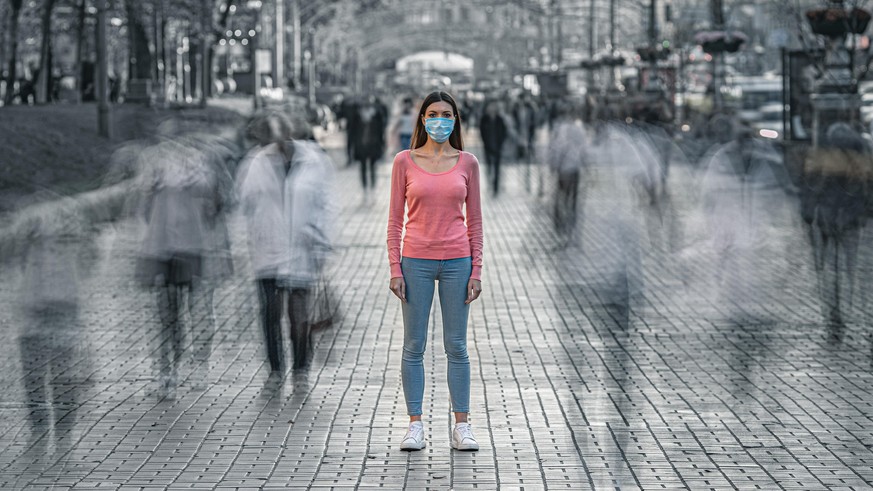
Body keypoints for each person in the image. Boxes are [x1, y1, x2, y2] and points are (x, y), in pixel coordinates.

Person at [387, 91, 484, 452]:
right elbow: (395, 220)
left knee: (456, 346)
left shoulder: (467, 163)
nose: (439, 120)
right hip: (416, 262)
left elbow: (475, 221)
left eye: (446, 114)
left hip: (458, 261)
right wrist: (395, 267)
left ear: (455, 119)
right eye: (433, 114)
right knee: (414, 345)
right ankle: (415, 424)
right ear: (422, 119)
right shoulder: (405, 161)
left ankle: (462, 425)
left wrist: (477, 270)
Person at [478, 100, 507, 195]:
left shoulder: (500, 119)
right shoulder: (484, 119)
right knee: (489, 166)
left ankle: (496, 186)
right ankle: (489, 182)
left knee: (497, 167)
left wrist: (501, 143)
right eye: (490, 106)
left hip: (497, 146)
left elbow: (504, 132)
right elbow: (481, 132)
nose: (492, 108)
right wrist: (485, 143)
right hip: (487, 147)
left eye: (493, 106)